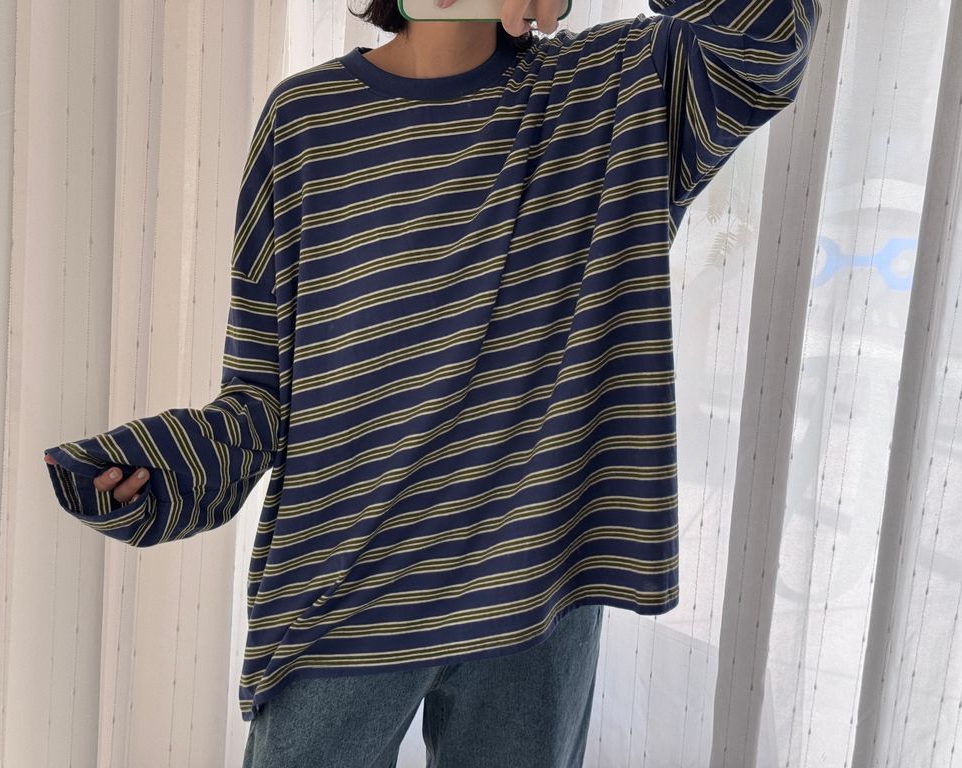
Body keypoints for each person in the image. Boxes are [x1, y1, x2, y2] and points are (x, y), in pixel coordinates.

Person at [43, 0, 821, 764]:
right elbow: (262, 395)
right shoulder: (305, 121)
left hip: (533, 594)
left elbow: (774, 34)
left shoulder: (621, 89)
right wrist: (170, 470)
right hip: (341, 589)